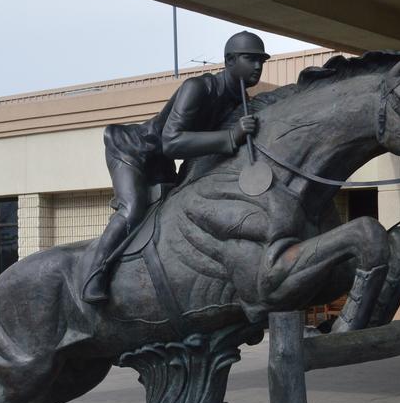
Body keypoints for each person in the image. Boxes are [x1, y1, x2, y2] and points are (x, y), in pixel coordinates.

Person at [81, 30, 270, 304]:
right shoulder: (198, 88)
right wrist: (231, 136)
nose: (257, 66)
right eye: (249, 59)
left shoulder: (240, 103)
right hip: (134, 151)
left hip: (163, 162)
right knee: (133, 209)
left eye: (261, 61)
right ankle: (93, 274)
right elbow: (171, 142)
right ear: (229, 61)